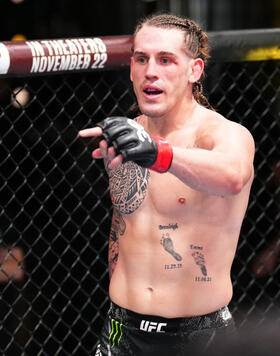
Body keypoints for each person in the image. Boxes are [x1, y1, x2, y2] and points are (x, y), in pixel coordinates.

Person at [79, 13, 255, 356]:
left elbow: (233, 175)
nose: (151, 71)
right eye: (141, 59)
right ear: (131, 68)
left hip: (199, 338)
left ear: (195, 71)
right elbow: (125, 225)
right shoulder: (128, 136)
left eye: (166, 60)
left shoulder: (221, 133)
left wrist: (159, 154)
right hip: (121, 330)